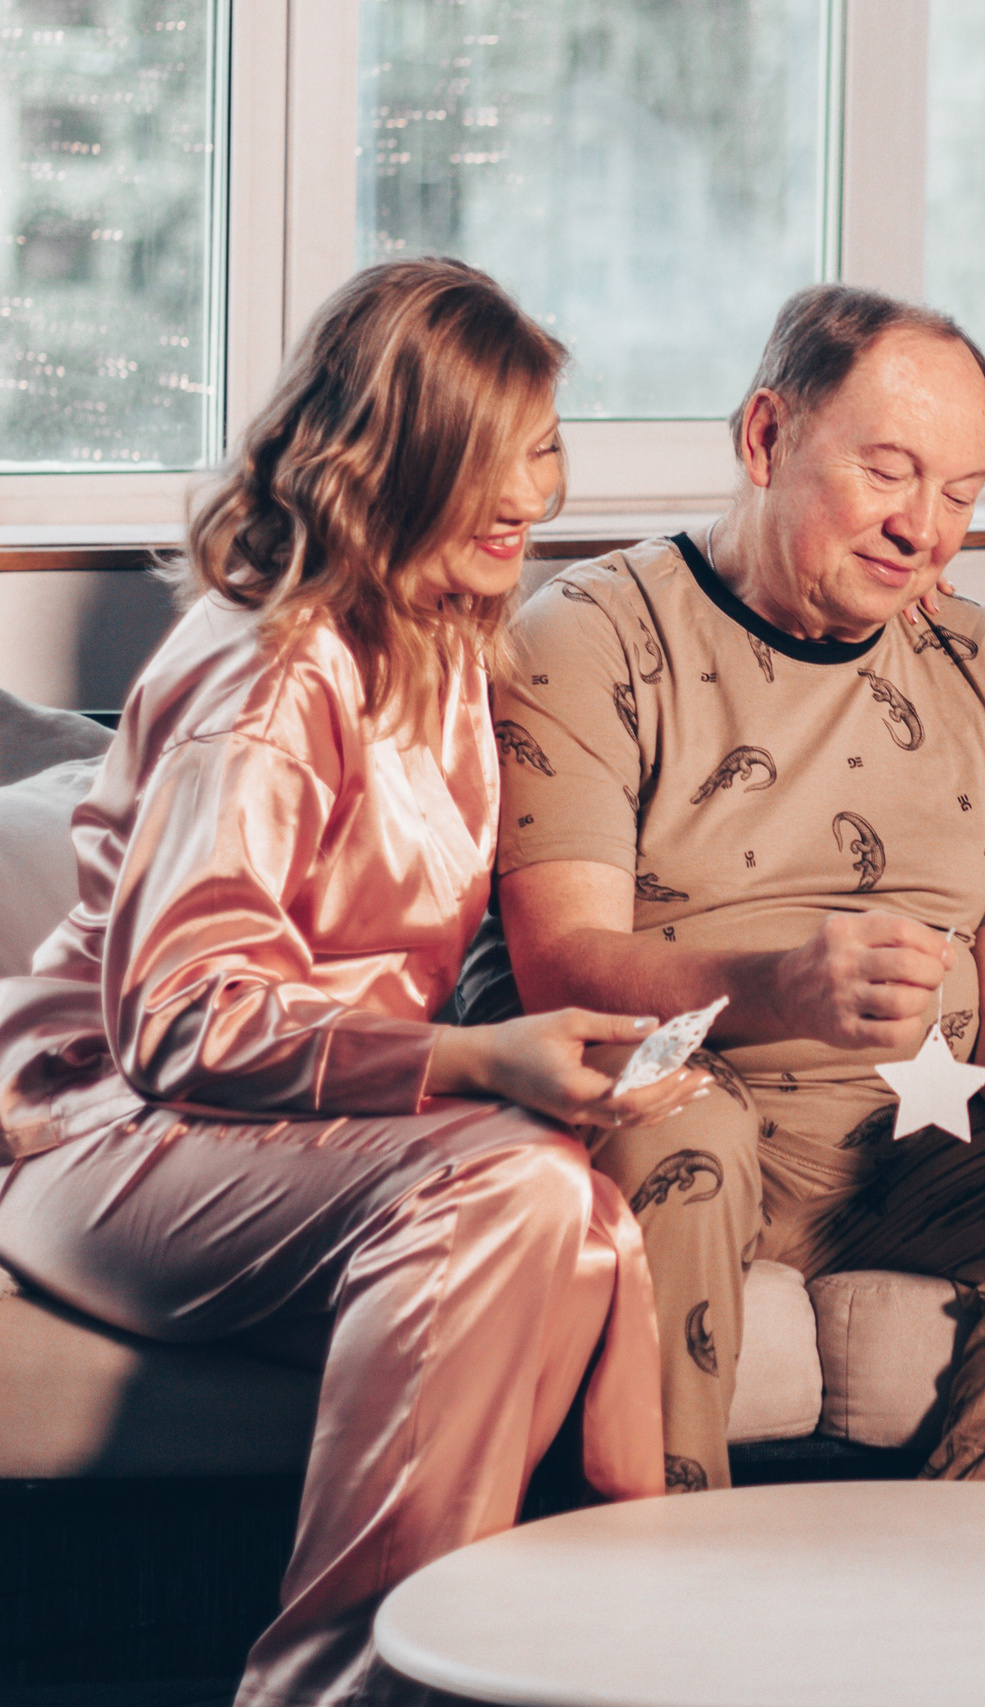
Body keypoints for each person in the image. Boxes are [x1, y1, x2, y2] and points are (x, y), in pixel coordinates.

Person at [0, 258, 693, 1707]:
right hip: (109, 1131)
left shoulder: (446, 637)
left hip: (292, 1141)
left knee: (569, 1207)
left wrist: (569, 1048)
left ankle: (593, 1662)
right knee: (517, 1187)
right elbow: (184, 1019)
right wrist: (481, 1064)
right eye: (487, 453)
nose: (529, 492)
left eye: (545, 444)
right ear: (387, 458)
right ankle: (332, 1687)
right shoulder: (269, 670)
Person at [470, 284, 985, 1493]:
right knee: (682, 1128)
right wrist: (782, 986)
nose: (924, 529)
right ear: (765, 438)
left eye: (961, 493)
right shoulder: (589, 635)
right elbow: (561, 967)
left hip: (910, 1144)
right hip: (691, 1110)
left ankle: (954, 1624)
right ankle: (650, 1625)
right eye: (889, 473)